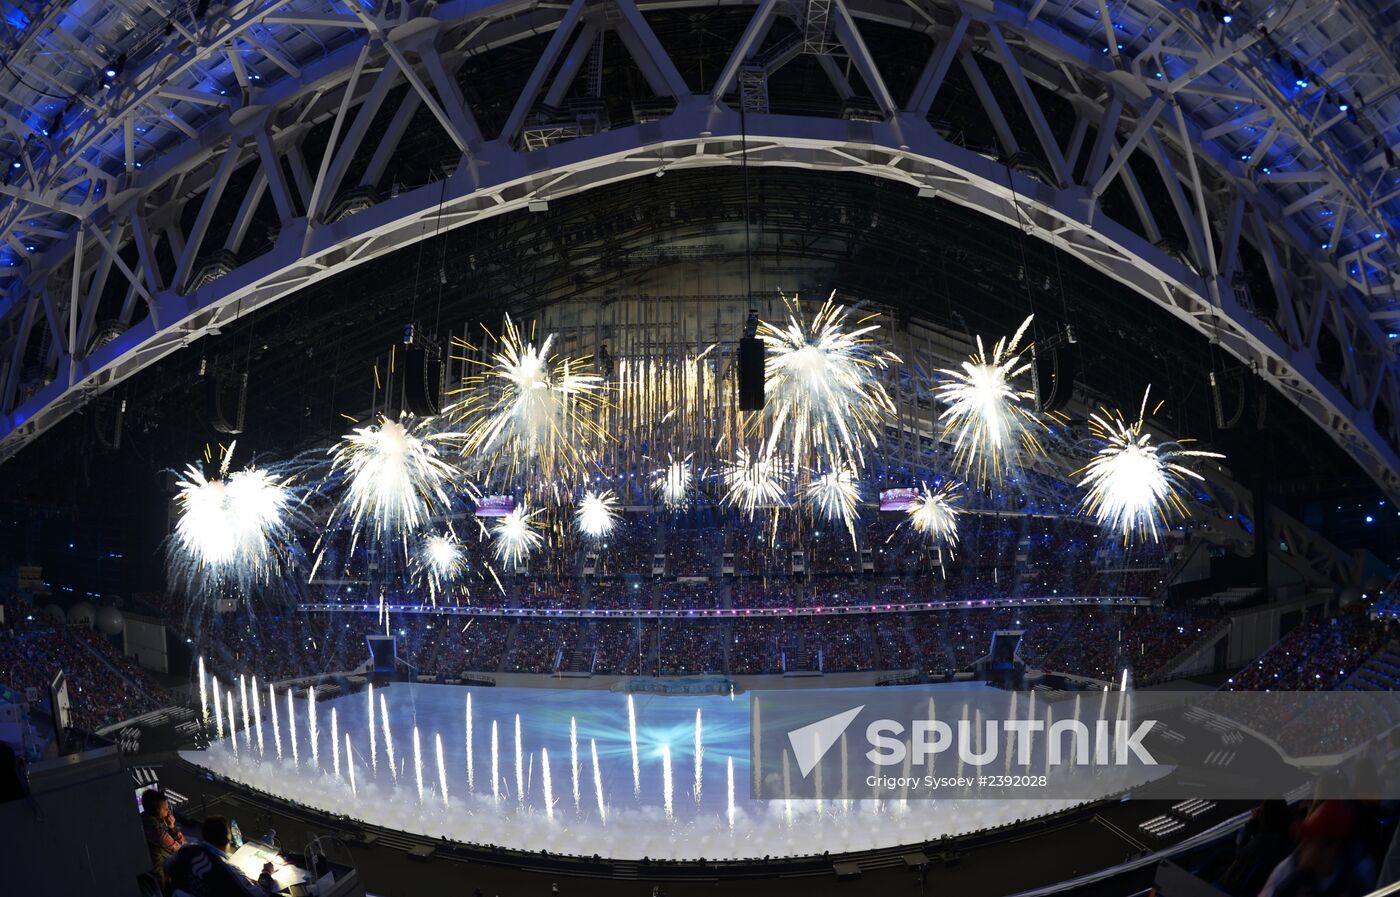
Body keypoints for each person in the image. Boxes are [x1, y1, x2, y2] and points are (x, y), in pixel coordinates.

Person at [168, 815, 277, 897]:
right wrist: (266, 873)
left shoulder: (186, 850)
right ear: (227, 840)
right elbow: (261, 894)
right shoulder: (230, 871)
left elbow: (167, 867)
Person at [140, 790, 186, 893]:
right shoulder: (156, 832)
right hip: (161, 883)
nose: (168, 812)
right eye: (165, 809)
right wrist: (172, 827)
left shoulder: (142, 818)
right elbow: (182, 848)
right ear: (156, 811)